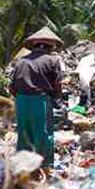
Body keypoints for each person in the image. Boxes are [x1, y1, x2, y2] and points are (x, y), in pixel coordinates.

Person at [9, 27, 64, 169]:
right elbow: (58, 84)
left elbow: (12, 87)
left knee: (24, 133)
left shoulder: (20, 61)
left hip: (21, 101)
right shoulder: (53, 60)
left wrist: (21, 98)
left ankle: (23, 166)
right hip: (40, 100)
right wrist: (58, 100)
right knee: (43, 134)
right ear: (50, 47)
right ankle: (44, 166)